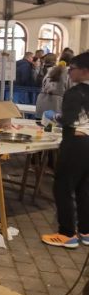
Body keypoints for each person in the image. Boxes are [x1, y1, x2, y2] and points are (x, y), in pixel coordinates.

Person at [41, 52, 89, 248]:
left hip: (75, 143)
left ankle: (67, 233)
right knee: (85, 188)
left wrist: (54, 116)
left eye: (73, 69)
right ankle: (85, 231)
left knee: (63, 186)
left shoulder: (75, 92)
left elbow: (68, 120)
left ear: (84, 71)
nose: (69, 72)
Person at [35, 52, 72, 119]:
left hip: (42, 102)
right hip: (56, 104)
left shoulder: (51, 70)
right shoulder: (69, 73)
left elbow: (43, 83)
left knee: (40, 127)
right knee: (55, 128)